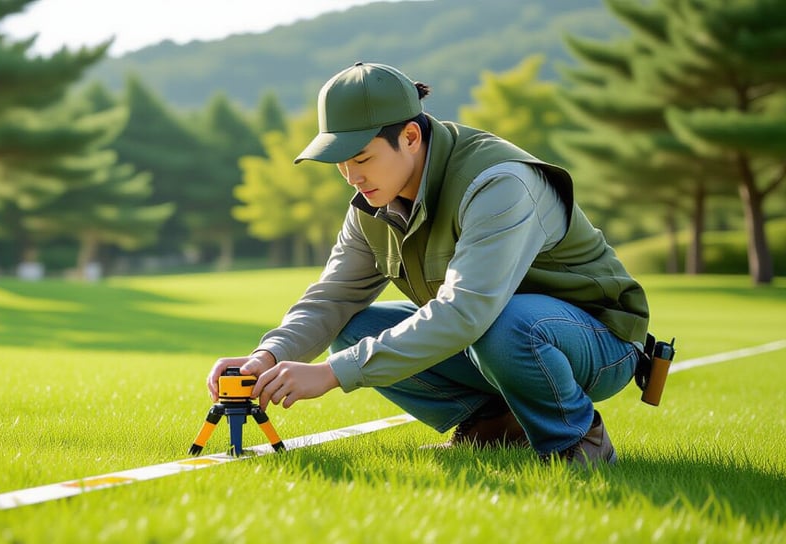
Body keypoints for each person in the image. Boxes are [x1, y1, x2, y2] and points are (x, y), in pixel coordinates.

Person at [207, 62, 649, 466]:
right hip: (495, 336)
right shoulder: (371, 203)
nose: (352, 176)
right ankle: (495, 428)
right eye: (340, 163)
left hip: (599, 341)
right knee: (351, 329)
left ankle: (577, 443)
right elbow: (332, 297)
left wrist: (330, 374)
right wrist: (267, 356)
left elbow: (466, 311)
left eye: (362, 158)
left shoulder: (498, 183)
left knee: (504, 322)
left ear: (411, 138)